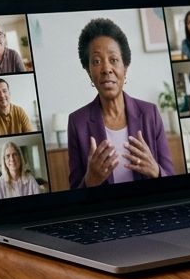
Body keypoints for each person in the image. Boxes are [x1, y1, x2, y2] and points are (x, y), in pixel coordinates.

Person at [66, 17, 175, 188]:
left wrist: (156, 171)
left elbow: (172, 182)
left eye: (114, 59)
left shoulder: (150, 114)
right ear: (89, 72)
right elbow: (74, 195)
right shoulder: (77, 123)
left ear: (125, 68)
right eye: (96, 61)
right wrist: (90, 181)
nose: (106, 69)